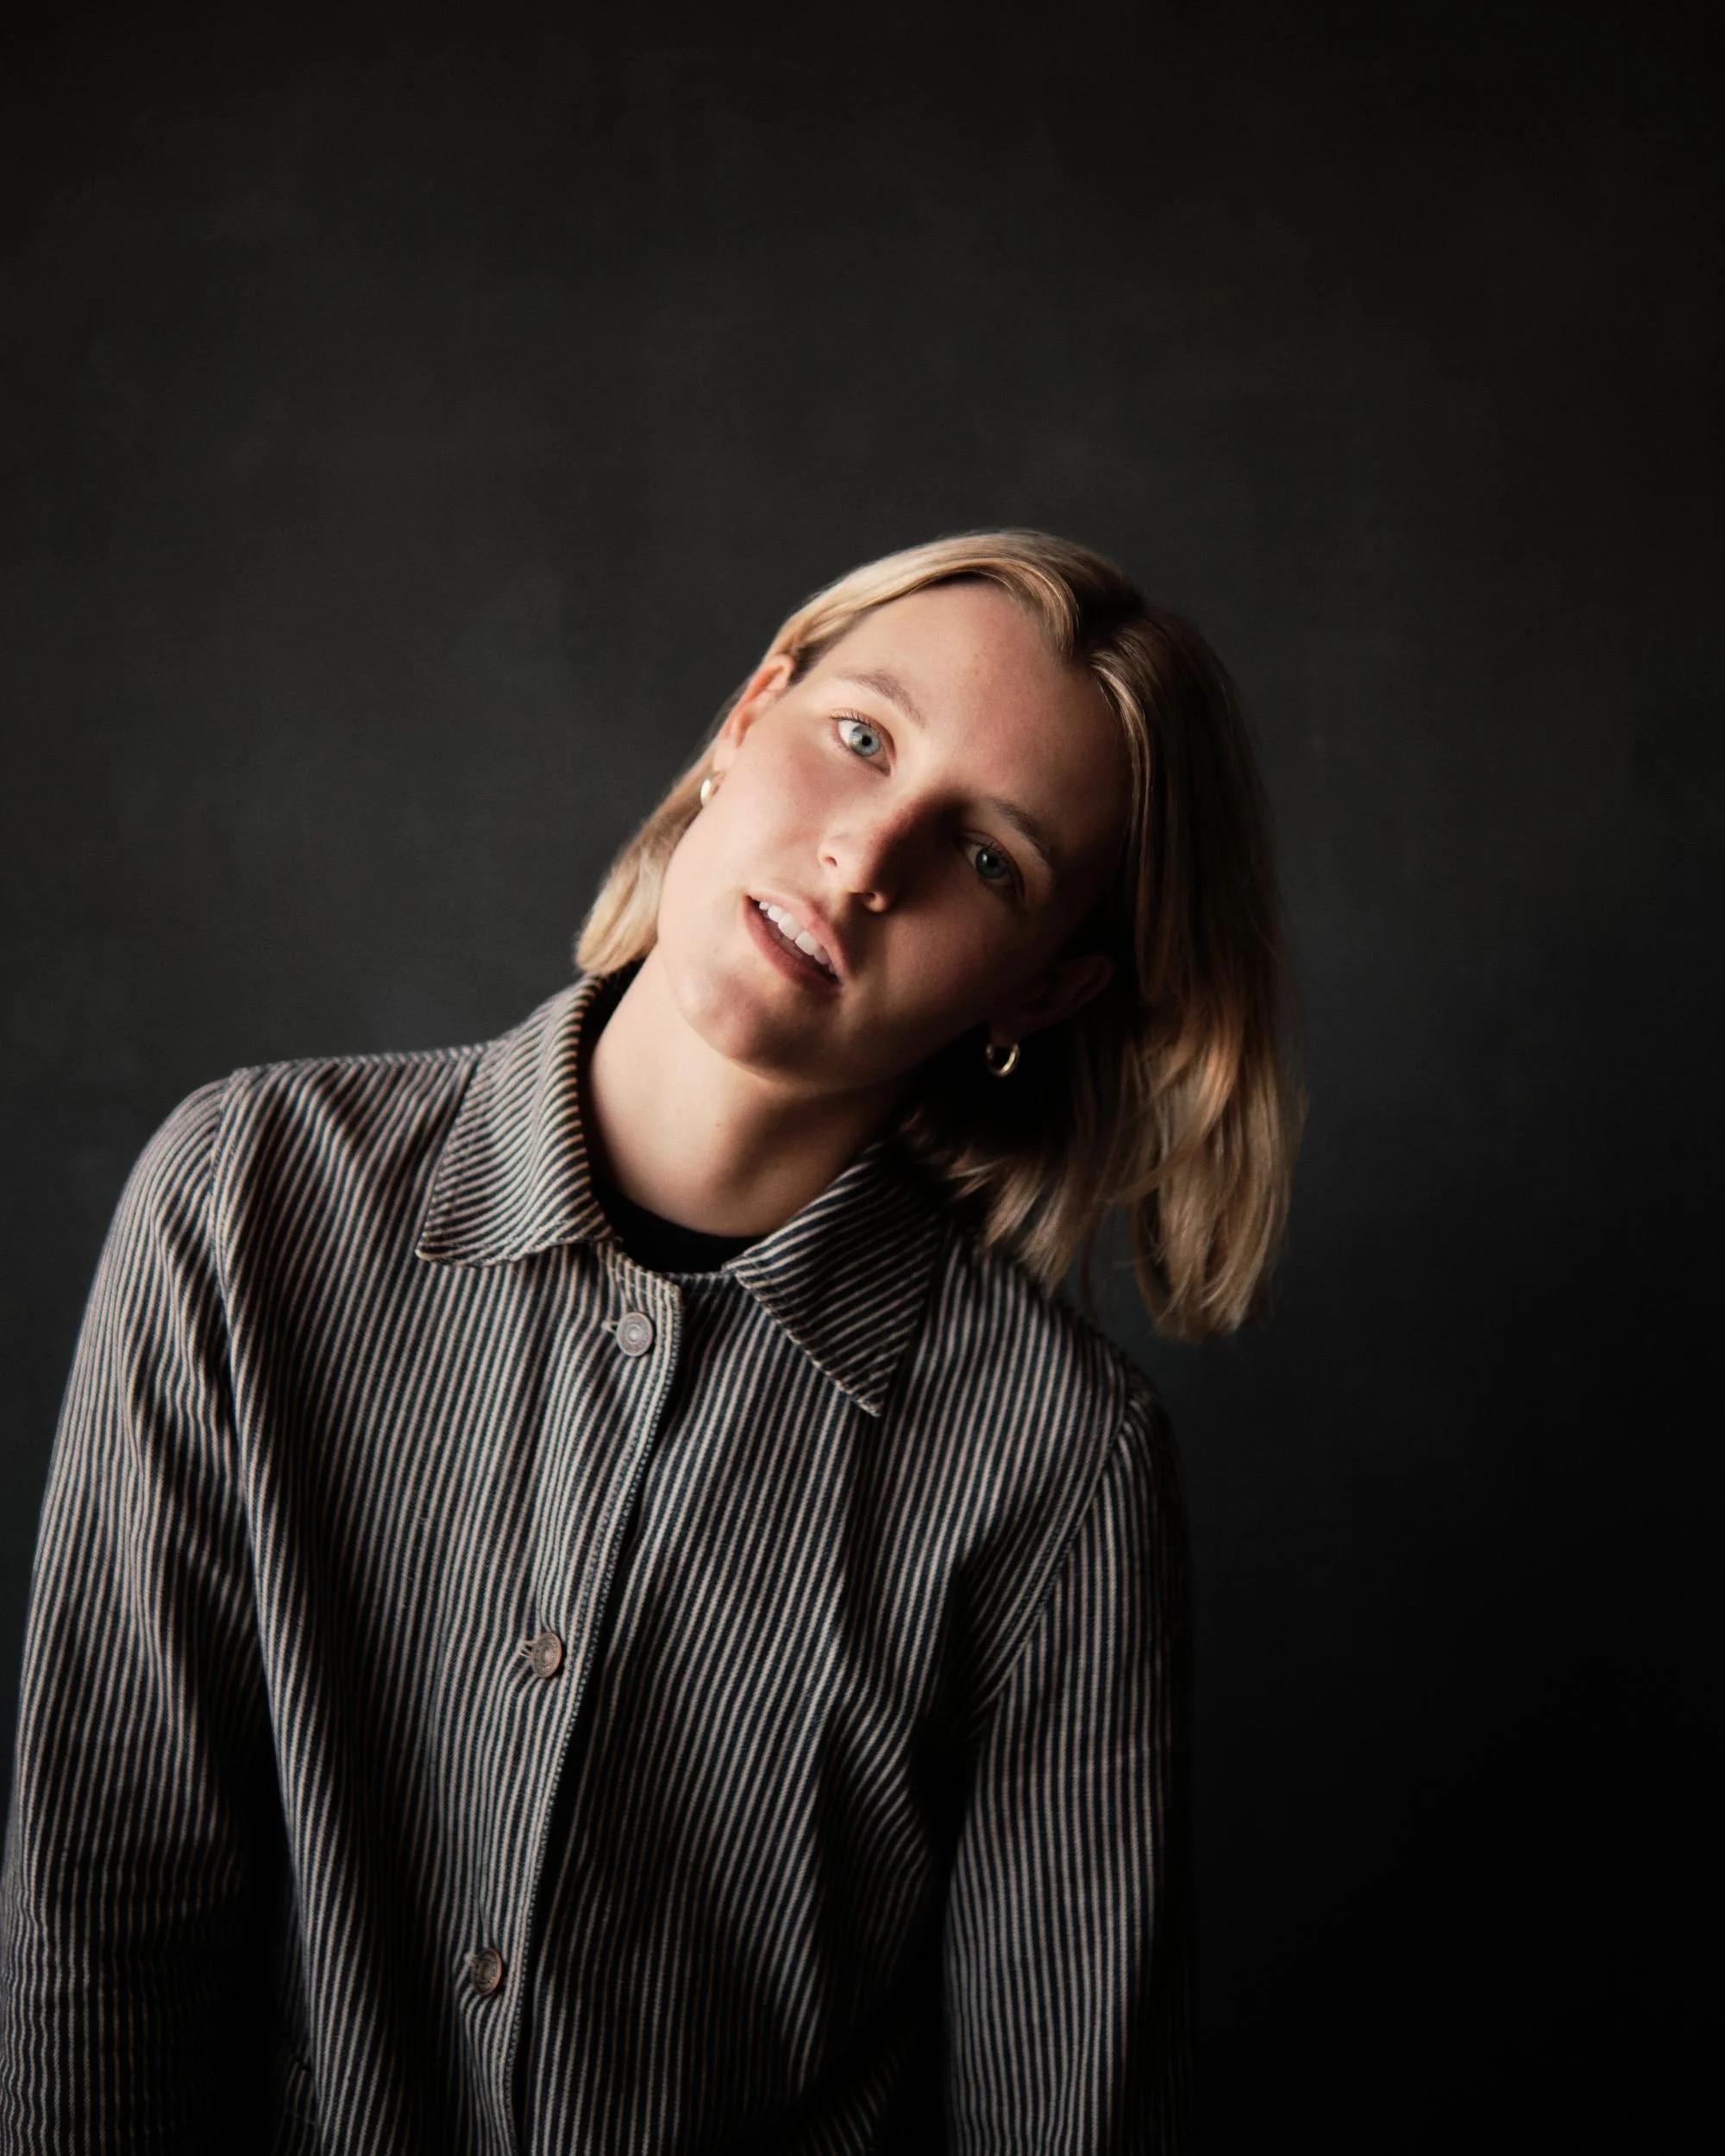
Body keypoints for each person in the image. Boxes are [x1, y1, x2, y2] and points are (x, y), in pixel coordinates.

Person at [0, 530, 1299, 2153]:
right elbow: (109, 1927)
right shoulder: (246, 1201)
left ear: (1037, 995)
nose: (867, 860)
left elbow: (1065, 2115)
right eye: (864, 738)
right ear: (750, 717)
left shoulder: (1057, 1474)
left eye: (990, 863)